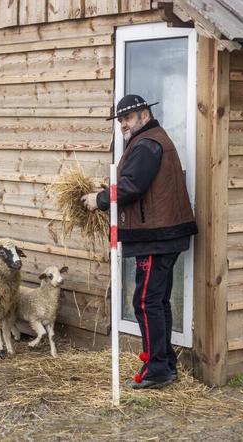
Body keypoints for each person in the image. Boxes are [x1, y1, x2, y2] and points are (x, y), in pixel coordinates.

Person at [81, 94, 197, 389]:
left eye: (128, 118)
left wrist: (101, 199)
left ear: (145, 115)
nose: (123, 124)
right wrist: (108, 189)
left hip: (156, 237)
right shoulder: (150, 139)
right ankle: (164, 362)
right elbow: (135, 182)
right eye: (120, 120)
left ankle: (157, 368)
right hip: (163, 234)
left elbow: (133, 186)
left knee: (145, 302)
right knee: (156, 301)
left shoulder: (147, 144)